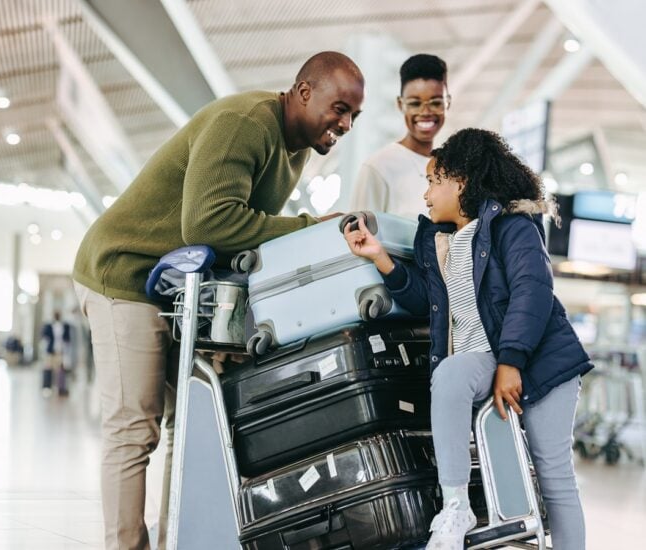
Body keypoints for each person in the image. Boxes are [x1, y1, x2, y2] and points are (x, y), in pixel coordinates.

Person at [73, 51, 365, 550]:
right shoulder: (245, 123)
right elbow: (209, 224)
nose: (345, 123)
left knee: (188, 426)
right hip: (124, 273)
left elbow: (236, 240)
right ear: (303, 92)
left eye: (354, 116)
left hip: (176, 288)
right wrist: (309, 228)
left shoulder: (293, 148)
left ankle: (177, 541)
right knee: (134, 427)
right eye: (339, 108)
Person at [343, 128, 592, 550]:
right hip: (484, 358)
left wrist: (511, 362)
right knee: (452, 373)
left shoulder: (513, 226)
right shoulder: (439, 241)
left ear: (460, 182)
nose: (425, 195)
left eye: (433, 181)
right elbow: (426, 300)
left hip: (543, 363)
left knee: (553, 476)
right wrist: (380, 257)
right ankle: (455, 505)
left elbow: (533, 291)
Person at [348, 54, 449, 219]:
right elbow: (357, 237)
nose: (425, 112)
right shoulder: (378, 168)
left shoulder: (451, 169)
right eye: (415, 104)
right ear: (400, 105)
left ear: (447, 103)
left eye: (436, 103)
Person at [41, 312, 71, 397]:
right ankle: (47, 387)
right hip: (50, 351)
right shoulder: (49, 326)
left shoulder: (65, 326)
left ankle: (61, 388)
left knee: (61, 371)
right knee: (48, 369)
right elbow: (45, 337)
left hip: (60, 351)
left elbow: (67, 339)